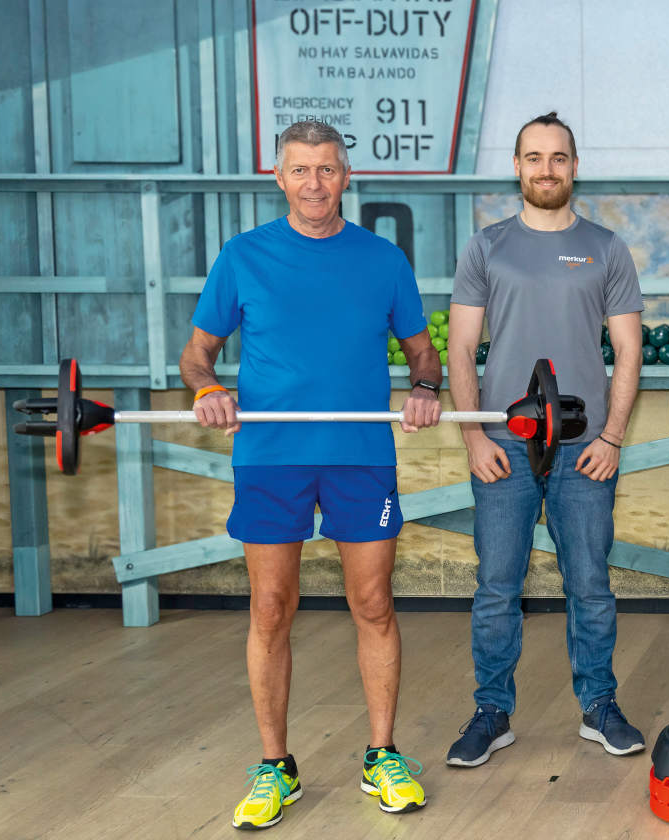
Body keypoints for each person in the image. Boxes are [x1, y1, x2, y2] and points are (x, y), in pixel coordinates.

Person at [182, 120, 438, 829]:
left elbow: (424, 353)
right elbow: (197, 354)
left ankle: (381, 754)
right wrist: (208, 392)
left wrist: (426, 388)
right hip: (271, 457)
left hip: (361, 455)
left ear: (346, 177)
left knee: (375, 604)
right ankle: (275, 767)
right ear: (279, 177)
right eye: (301, 170)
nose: (315, 183)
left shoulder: (383, 260)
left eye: (327, 170)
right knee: (271, 609)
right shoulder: (243, 258)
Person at [443, 112, 646, 767]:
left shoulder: (607, 248)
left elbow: (628, 348)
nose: (547, 168)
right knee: (497, 587)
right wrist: (476, 439)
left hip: (583, 447)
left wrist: (613, 436)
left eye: (558, 157)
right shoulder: (486, 248)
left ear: (574, 167)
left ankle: (599, 706)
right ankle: (491, 712)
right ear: (518, 167)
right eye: (534, 157)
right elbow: (462, 347)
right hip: (503, 444)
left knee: (589, 584)